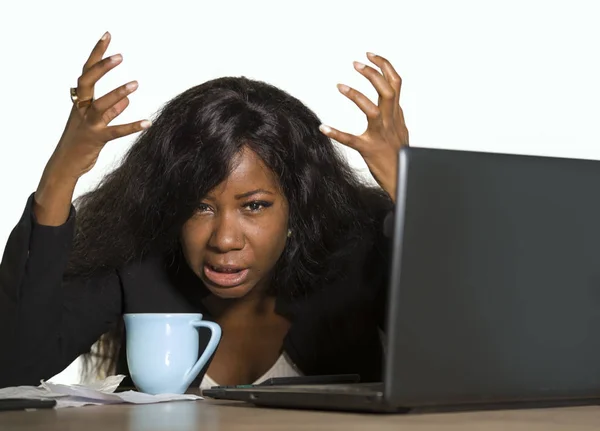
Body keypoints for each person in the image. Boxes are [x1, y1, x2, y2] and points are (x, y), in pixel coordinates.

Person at [0, 31, 408, 389]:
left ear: (297, 208)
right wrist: (61, 174)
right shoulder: (137, 266)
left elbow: (460, 351)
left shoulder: (357, 254)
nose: (225, 239)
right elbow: (14, 368)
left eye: (254, 206)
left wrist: (409, 187)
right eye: (199, 206)